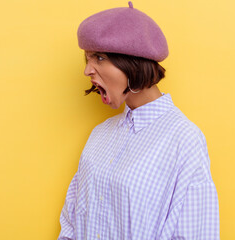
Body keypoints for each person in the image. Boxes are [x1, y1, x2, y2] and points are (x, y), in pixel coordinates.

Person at [58, 2, 220, 239]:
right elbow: (71, 221)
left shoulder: (183, 139)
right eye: (88, 59)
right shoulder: (100, 135)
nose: (87, 71)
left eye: (100, 58)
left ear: (133, 64)